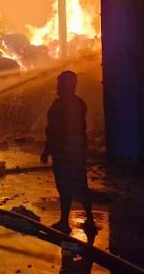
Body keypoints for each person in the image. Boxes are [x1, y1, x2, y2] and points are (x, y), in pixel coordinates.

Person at [40, 70, 94, 234]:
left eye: (60, 84)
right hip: (77, 150)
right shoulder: (80, 103)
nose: (57, 87)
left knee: (64, 186)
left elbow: (54, 131)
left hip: (63, 151)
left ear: (66, 85)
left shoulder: (58, 106)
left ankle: (64, 222)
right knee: (80, 184)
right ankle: (89, 220)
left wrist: (47, 150)